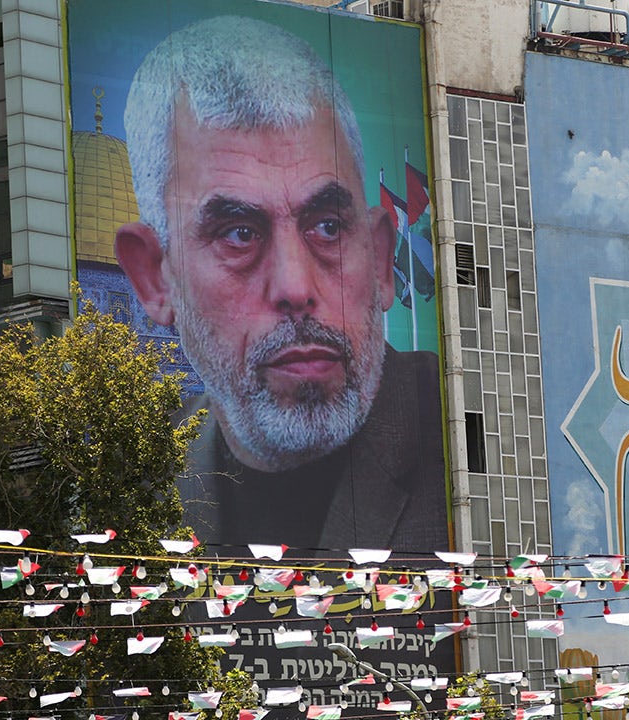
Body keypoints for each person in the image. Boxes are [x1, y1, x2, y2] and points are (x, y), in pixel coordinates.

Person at [113, 15, 446, 552]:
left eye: (328, 227)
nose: (295, 287)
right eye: (240, 234)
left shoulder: (463, 431)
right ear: (154, 277)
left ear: (381, 259)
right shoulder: (134, 482)